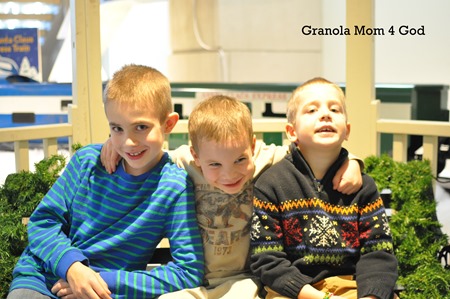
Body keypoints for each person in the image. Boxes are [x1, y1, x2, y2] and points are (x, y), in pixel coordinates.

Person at [100, 94, 364, 299]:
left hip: (246, 278)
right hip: (193, 279)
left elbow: (311, 154)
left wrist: (350, 160)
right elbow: (145, 153)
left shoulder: (267, 158)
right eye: (214, 164)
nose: (230, 174)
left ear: (251, 145)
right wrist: (114, 144)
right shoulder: (181, 161)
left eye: (240, 159)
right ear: (196, 156)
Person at [7, 64, 205, 299]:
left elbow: (188, 271)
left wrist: (103, 281)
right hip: (41, 279)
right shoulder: (87, 162)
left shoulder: (174, 187)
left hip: (103, 291)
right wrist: (73, 268)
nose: (128, 142)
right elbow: (42, 223)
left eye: (141, 127)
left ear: (169, 124)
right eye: (117, 128)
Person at [250, 77, 398, 299]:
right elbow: (267, 258)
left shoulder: (364, 187)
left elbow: (378, 252)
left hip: (352, 286)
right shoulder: (271, 184)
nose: (325, 114)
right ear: (292, 131)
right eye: (311, 110)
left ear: (347, 131)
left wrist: (371, 296)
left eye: (335, 109)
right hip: (295, 290)